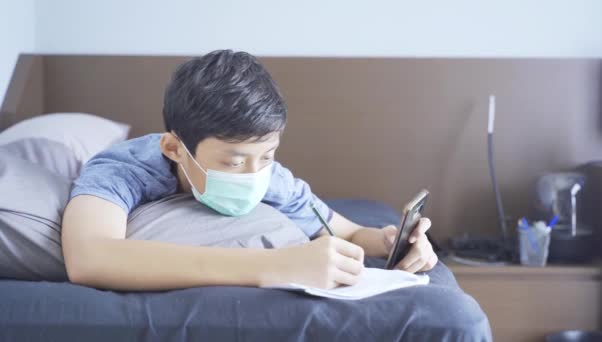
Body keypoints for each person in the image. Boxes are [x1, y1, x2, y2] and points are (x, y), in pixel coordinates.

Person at [61, 50, 437, 291]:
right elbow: (89, 258)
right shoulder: (123, 169)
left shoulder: (272, 178)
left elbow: (350, 231)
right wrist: (275, 266)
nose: (255, 175)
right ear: (175, 149)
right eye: (234, 161)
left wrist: (392, 240)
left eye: (268, 155)